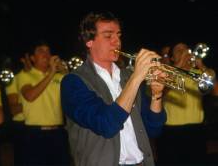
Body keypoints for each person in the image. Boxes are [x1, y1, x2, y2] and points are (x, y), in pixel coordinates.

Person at [61, 12, 167, 166]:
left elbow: (153, 130)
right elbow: (106, 124)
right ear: (89, 42)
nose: (117, 41)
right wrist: (137, 77)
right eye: (108, 36)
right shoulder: (73, 82)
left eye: (118, 35)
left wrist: (156, 95)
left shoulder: (127, 77)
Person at [17, 40, 70, 165]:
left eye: (48, 51)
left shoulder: (59, 77)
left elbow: (75, 95)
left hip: (58, 133)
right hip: (34, 134)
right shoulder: (25, 75)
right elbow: (30, 96)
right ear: (32, 58)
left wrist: (66, 73)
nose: (46, 54)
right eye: (41, 51)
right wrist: (52, 73)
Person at [156, 42, 207, 165]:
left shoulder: (199, 73)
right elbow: (161, 92)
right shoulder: (165, 72)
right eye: (179, 51)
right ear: (172, 58)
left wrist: (202, 66)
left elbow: (215, 90)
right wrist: (179, 66)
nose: (184, 53)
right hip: (171, 132)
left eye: (186, 50)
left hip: (196, 131)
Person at [5, 53, 32, 166]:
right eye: (30, 58)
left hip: (39, 126)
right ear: (22, 60)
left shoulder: (43, 76)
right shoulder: (15, 79)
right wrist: (34, 102)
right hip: (22, 126)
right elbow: (13, 109)